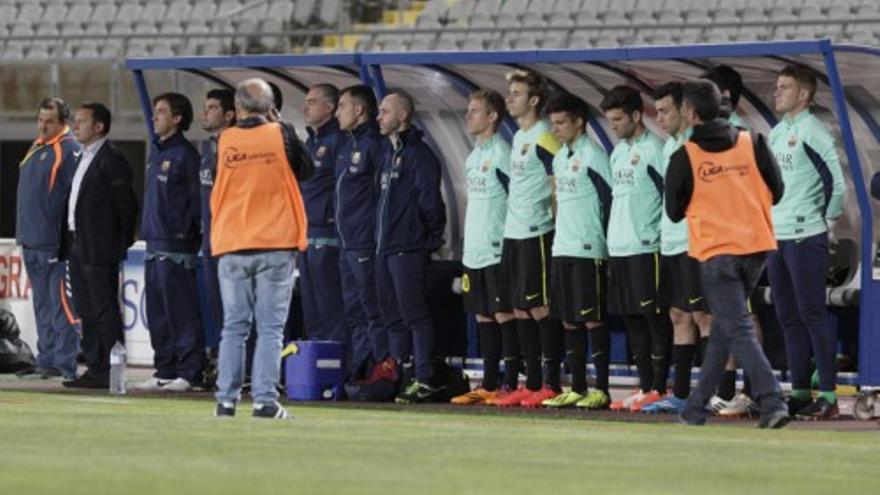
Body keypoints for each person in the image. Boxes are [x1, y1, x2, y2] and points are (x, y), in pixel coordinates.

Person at [666, 80, 789, 429]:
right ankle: (695, 407)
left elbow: (673, 211)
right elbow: (777, 191)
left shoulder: (685, 156)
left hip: (717, 252)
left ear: (689, 114)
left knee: (736, 327)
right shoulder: (754, 142)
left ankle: (773, 401)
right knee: (724, 326)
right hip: (756, 248)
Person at [212, 78, 313, 419]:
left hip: (232, 241)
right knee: (270, 328)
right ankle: (264, 401)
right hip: (275, 241)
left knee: (234, 327)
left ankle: (226, 401)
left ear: (237, 108)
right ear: (271, 107)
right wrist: (279, 122)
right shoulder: (281, 133)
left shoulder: (224, 140)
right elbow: (306, 169)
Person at [768, 66, 845, 420]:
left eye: (784, 87)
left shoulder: (814, 132)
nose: (776, 91)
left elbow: (836, 183)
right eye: (777, 86)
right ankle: (799, 391)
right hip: (777, 235)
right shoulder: (777, 132)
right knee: (787, 316)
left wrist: (826, 223)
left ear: (804, 95)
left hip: (805, 233)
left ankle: (827, 394)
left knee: (812, 313)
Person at [492, 69, 563, 408]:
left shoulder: (544, 136)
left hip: (537, 232)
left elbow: (558, 182)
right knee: (519, 308)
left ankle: (550, 382)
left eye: (517, 93)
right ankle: (531, 383)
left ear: (534, 100)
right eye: (510, 92)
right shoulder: (519, 138)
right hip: (513, 232)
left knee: (540, 308)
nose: (510, 98)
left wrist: (557, 222)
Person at [540, 93, 614, 410]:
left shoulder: (595, 156)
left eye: (561, 123)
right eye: (553, 123)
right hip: (562, 248)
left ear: (579, 123)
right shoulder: (560, 156)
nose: (555, 129)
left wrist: (608, 245)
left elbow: (609, 200)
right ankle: (578, 388)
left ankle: (602, 389)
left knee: (592, 319)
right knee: (569, 320)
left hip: (589, 248)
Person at [641, 82, 711, 414]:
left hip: (695, 243)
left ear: (684, 110)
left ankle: (715, 393)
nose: (660, 117)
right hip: (670, 243)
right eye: (657, 111)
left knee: (704, 317)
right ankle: (681, 393)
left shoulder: (699, 144)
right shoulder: (669, 147)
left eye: (666, 110)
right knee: (678, 315)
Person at [601, 85, 670, 412]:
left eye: (617, 119)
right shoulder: (617, 152)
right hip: (620, 248)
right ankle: (645, 387)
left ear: (635, 115)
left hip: (647, 248)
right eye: (610, 120)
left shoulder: (656, 149)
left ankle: (660, 386)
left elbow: (671, 196)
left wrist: (658, 234)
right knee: (632, 321)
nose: (612, 125)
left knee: (653, 319)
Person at [375, 92, 447, 404]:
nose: (379, 117)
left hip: (408, 248)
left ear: (402, 116)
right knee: (393, 317)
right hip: (386, 248)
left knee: (415, 315)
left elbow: (431, 202)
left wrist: (428, 239)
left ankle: (425, 378)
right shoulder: (389, 153)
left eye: (385, 111)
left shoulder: (419, 155)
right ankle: (402, 376)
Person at [61, 102, 138, 388]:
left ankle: (112, 370)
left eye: (81, 121)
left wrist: (120, 243)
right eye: (75, 121)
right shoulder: (83, 156)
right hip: (78, 244)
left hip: (100, 246)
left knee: (104, 309)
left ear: (99, 127)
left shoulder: (111, 158)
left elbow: (127, 206)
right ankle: (95, 367)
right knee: (86, 308)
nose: (75, 126)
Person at [449, 89, 517, 405]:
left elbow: (516, 199)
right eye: (469, 109)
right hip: (474, 249)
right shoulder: (473, 156)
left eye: (475, 110)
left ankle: (511, 383)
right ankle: (489, 383)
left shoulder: (504, 154)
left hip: (497, 247)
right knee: (482, 315)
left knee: (503, 313)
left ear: (492, 117)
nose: (468, 116)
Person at [135, 92, 204, 392]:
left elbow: (197, 203)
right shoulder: (158, 153)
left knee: (181, 312)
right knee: (159, 313)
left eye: (161, 111)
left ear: (177, 119)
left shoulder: (185, 156)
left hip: (177, 246)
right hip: (153, 242)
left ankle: (190, 372)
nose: (155, 116)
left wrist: (185, 233)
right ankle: (164, 368)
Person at [15, 97, 80, 381]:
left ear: (62, 122)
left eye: (49, 121)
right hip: (31, 240)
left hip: (54, 243)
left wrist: (68, 238)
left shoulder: (68, 150)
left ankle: (65, 362)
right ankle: (48, 358)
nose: (43, 125)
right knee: (42, 305)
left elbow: (76, 198)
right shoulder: (37, 147)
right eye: (40, 120)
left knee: (61, 305)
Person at [335, 85, 392, 382]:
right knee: (354, 309)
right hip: (346, 242)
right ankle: (360, 367)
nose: (337, 112)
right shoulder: (347, 145)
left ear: (358, 110)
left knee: (373, 309)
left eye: (342, 106)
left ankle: (381, 369)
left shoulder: (374, 144)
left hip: (366, 242)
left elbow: (380, 195)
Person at [299, 84, 348, 350]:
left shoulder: (338, 141)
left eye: (313, 102)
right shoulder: (310, 141)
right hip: (306, 234)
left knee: (331, 306)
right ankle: (316, 366)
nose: (306, 107)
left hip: (328, 235)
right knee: (312, 308)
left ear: (330, 108)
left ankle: (338, 367)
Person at [198, 88, 236, 355]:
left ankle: (244, 369)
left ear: (230, 114)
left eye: (212, 107)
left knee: (236, 310)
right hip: (211, 240)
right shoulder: (209, 150)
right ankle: (226, 364)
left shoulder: (237, 151)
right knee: (218, 309)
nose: (206, 112)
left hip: (233, 242)